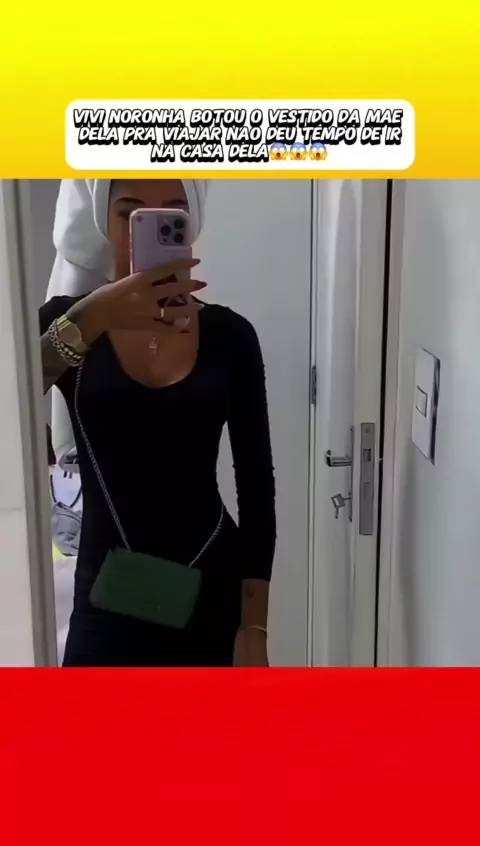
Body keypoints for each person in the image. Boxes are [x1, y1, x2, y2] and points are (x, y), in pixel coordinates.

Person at [39, 178, 276, 667]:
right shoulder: (70, 322)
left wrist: (254, 628)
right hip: (104, 598)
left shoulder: (230, 336)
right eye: (128, 212)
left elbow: (256, 489)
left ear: (192, 225)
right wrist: (95, 314)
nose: (141, 230)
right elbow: (12, 405)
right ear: (103, 219)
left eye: (172, 215)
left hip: (210, 588)